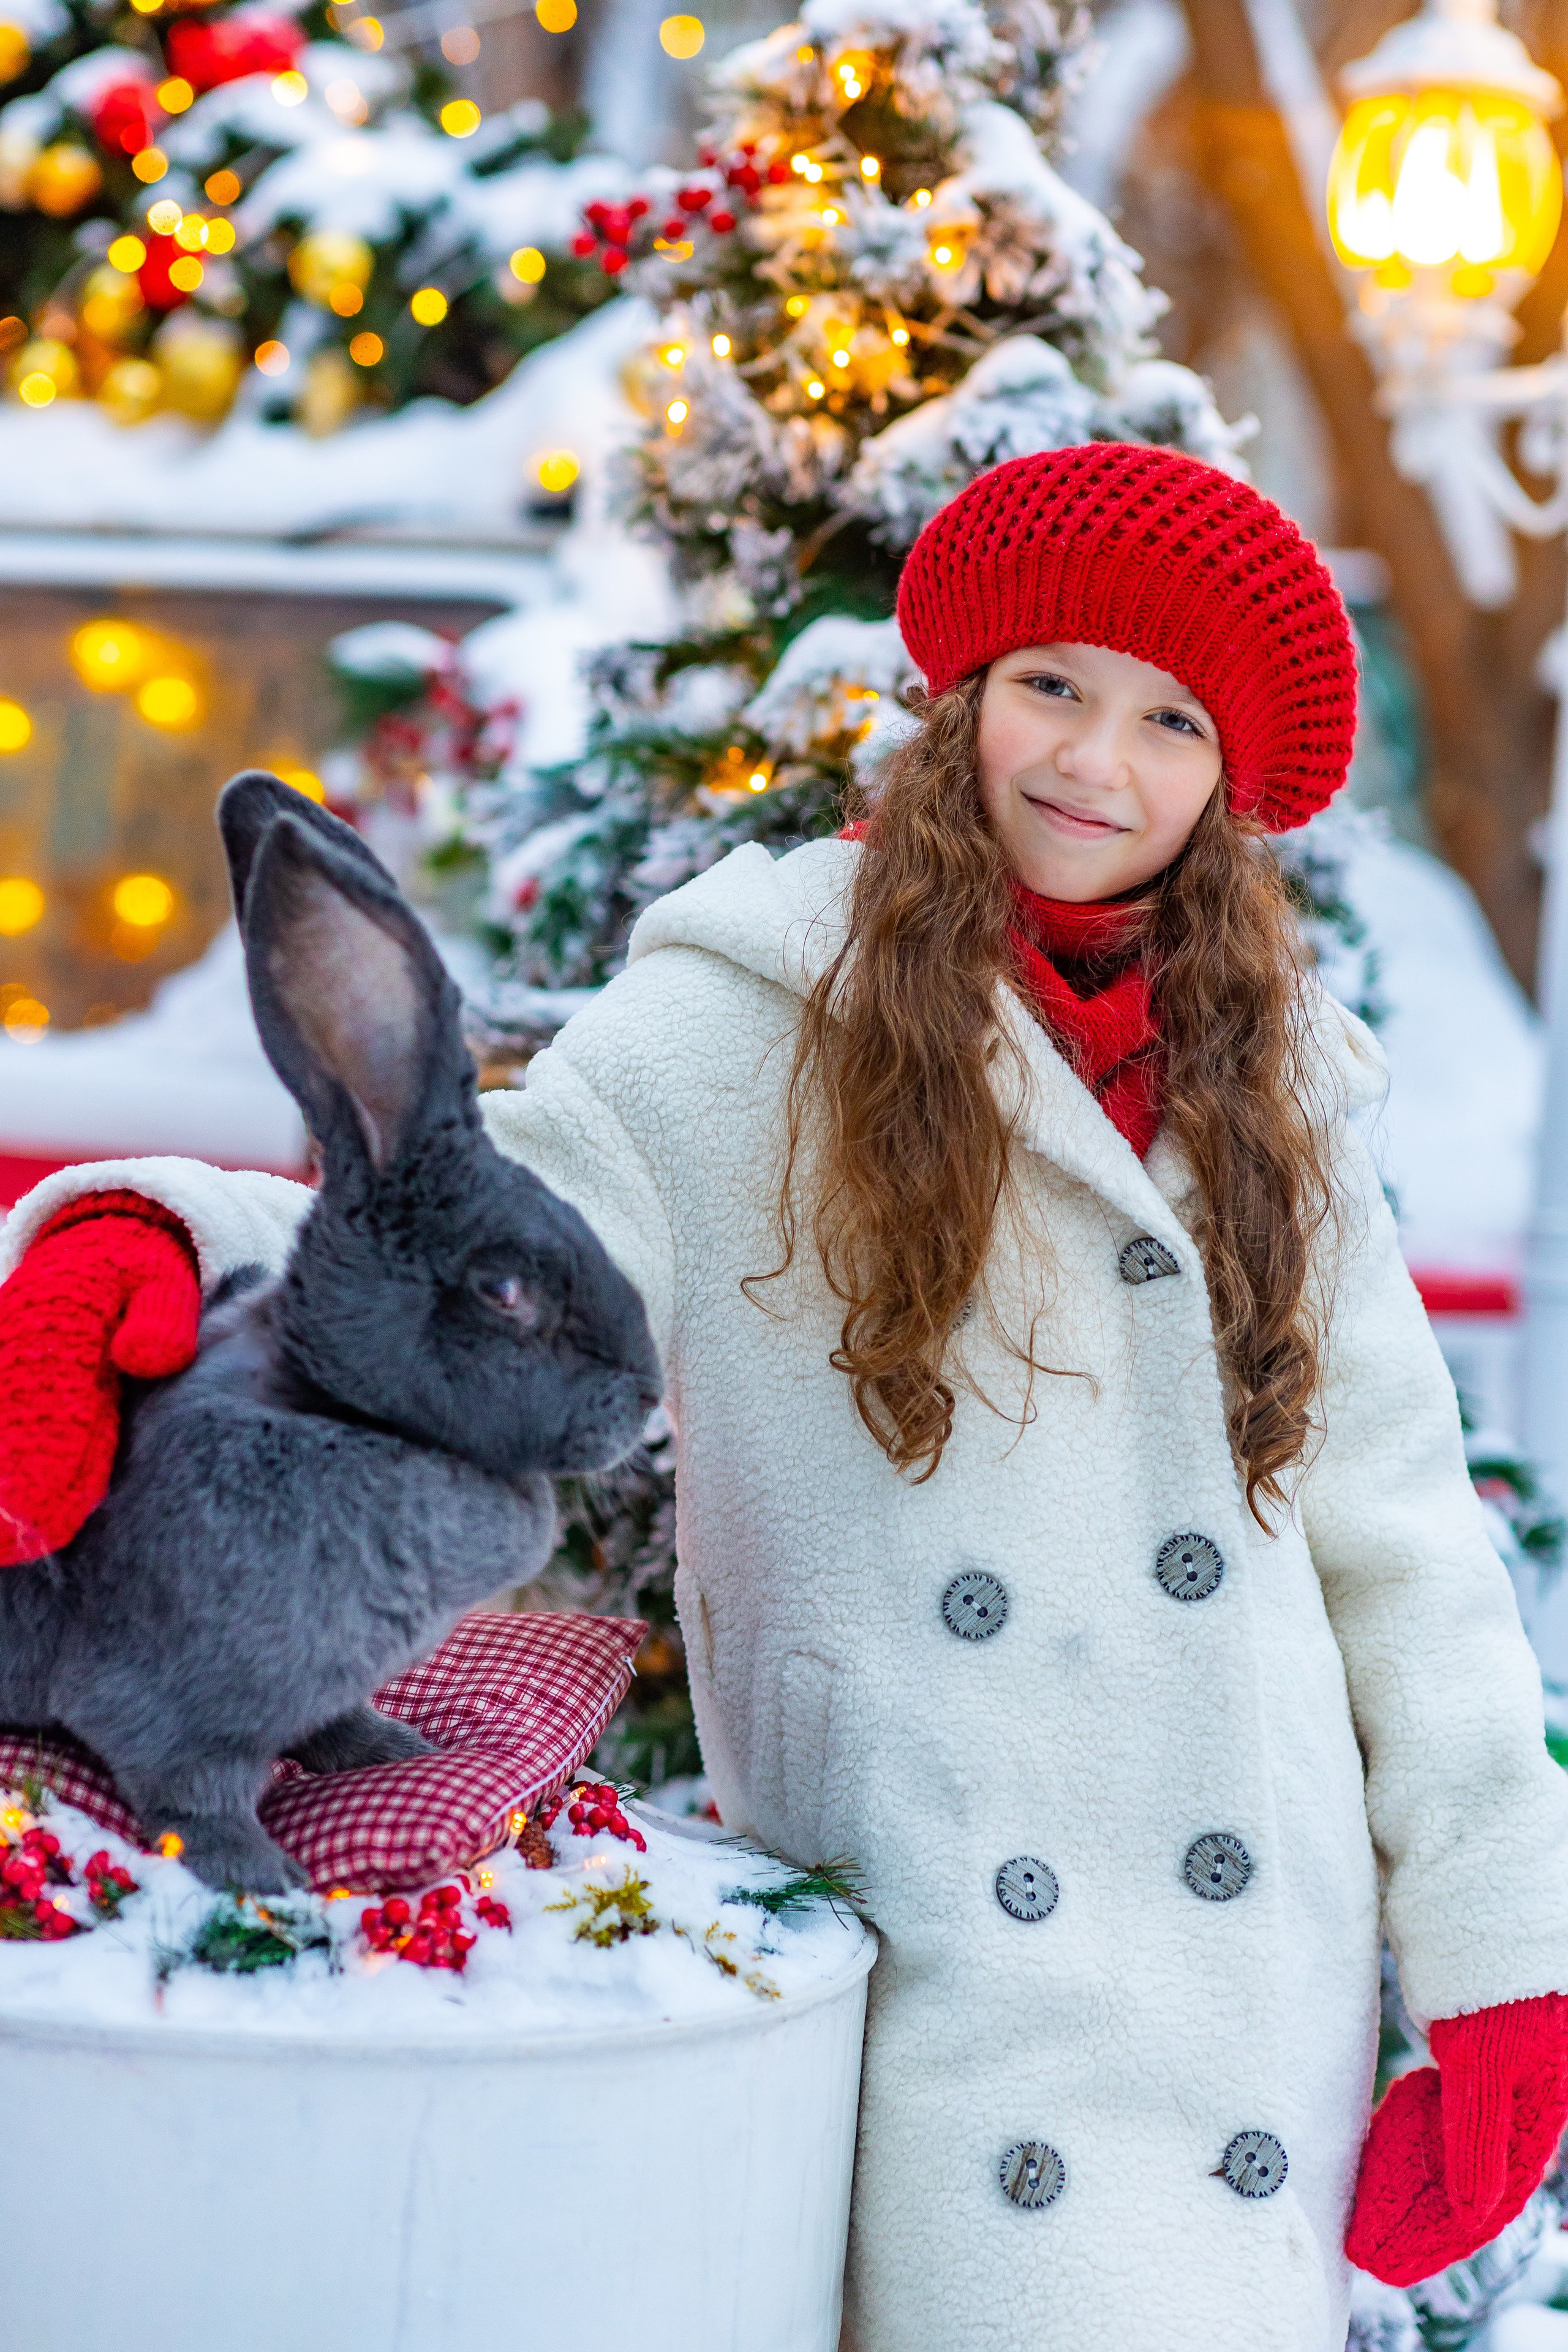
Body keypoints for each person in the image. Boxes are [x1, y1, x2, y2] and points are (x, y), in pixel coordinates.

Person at [3, 442, 1568, 2351]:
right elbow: (481, 1223)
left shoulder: (1288, 1087)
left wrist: (1505, 1958)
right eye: (1054, 685)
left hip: (1250, 1985)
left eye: (1172, 721)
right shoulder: (750, 1012)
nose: (1098, 761)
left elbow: (1405, 1553)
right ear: (966, 695)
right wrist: (154, 1241)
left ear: (1231, 782)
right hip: (938, 1956)